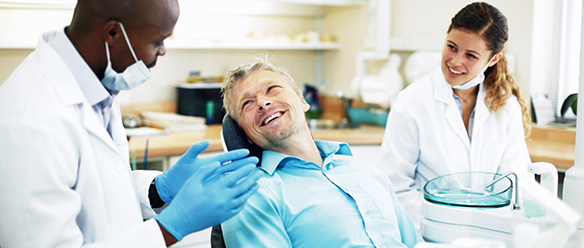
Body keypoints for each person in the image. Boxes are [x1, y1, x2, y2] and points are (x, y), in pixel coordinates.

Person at [0, 0, 262, 247]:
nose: (162, 51)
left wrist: (160, 190)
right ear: (113, 33)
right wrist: (170, 228)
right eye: (157, 41)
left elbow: (98, 196)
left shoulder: (98, 80)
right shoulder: (31, 118)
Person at [219, 58, 422, 248]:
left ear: (302, 100)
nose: (263, 103)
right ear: (245, 134)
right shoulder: (253, 196)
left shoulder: (366, 172)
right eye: (247, 103)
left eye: (272, 89)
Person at [377, 2, 533, 228]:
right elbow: (395, 188)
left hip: (488, 232)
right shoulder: (411, 103)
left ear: (493, 60)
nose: (456, 61)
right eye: (452, 47)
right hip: (429, 231)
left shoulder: (505, 105)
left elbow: (515, 182)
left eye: (471, 55)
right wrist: (454, 224)